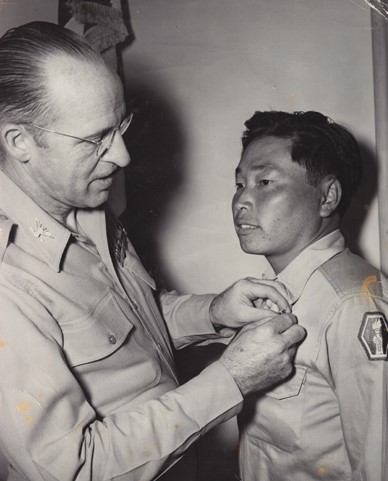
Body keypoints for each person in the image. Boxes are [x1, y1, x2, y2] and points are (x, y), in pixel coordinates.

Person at [0, 22, 306, 481]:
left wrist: (214, 313)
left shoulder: (86, 205)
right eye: (94, 139)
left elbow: (120, 324)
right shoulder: (9, 279)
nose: (121, 156)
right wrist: (233, 379)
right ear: (20, 142)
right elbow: (73, 468)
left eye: (120, 127)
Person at [232, 110, 388, 481]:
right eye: (239, 184)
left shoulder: (352, 305)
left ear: (327, 197)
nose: (240, 201)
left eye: (265, 182)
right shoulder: (273, 292)